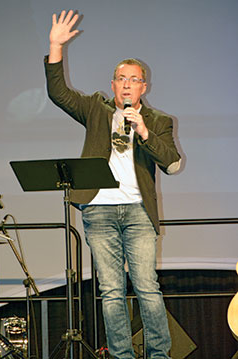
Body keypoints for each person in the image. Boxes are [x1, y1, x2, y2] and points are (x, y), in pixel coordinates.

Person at [44, 10, 181, 359]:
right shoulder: (95, 109)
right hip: (99, 211)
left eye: (133, 79)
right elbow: (59, 93)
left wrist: (144, 131)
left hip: (138, 212)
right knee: (111, 291)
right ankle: (121, 356)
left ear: (143, 86)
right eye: (120, 78)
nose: (126, 84)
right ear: (113, 84)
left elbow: (173, 162)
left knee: (148, 288)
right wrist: (55, 47)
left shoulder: (159, 121)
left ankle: (159, 355)